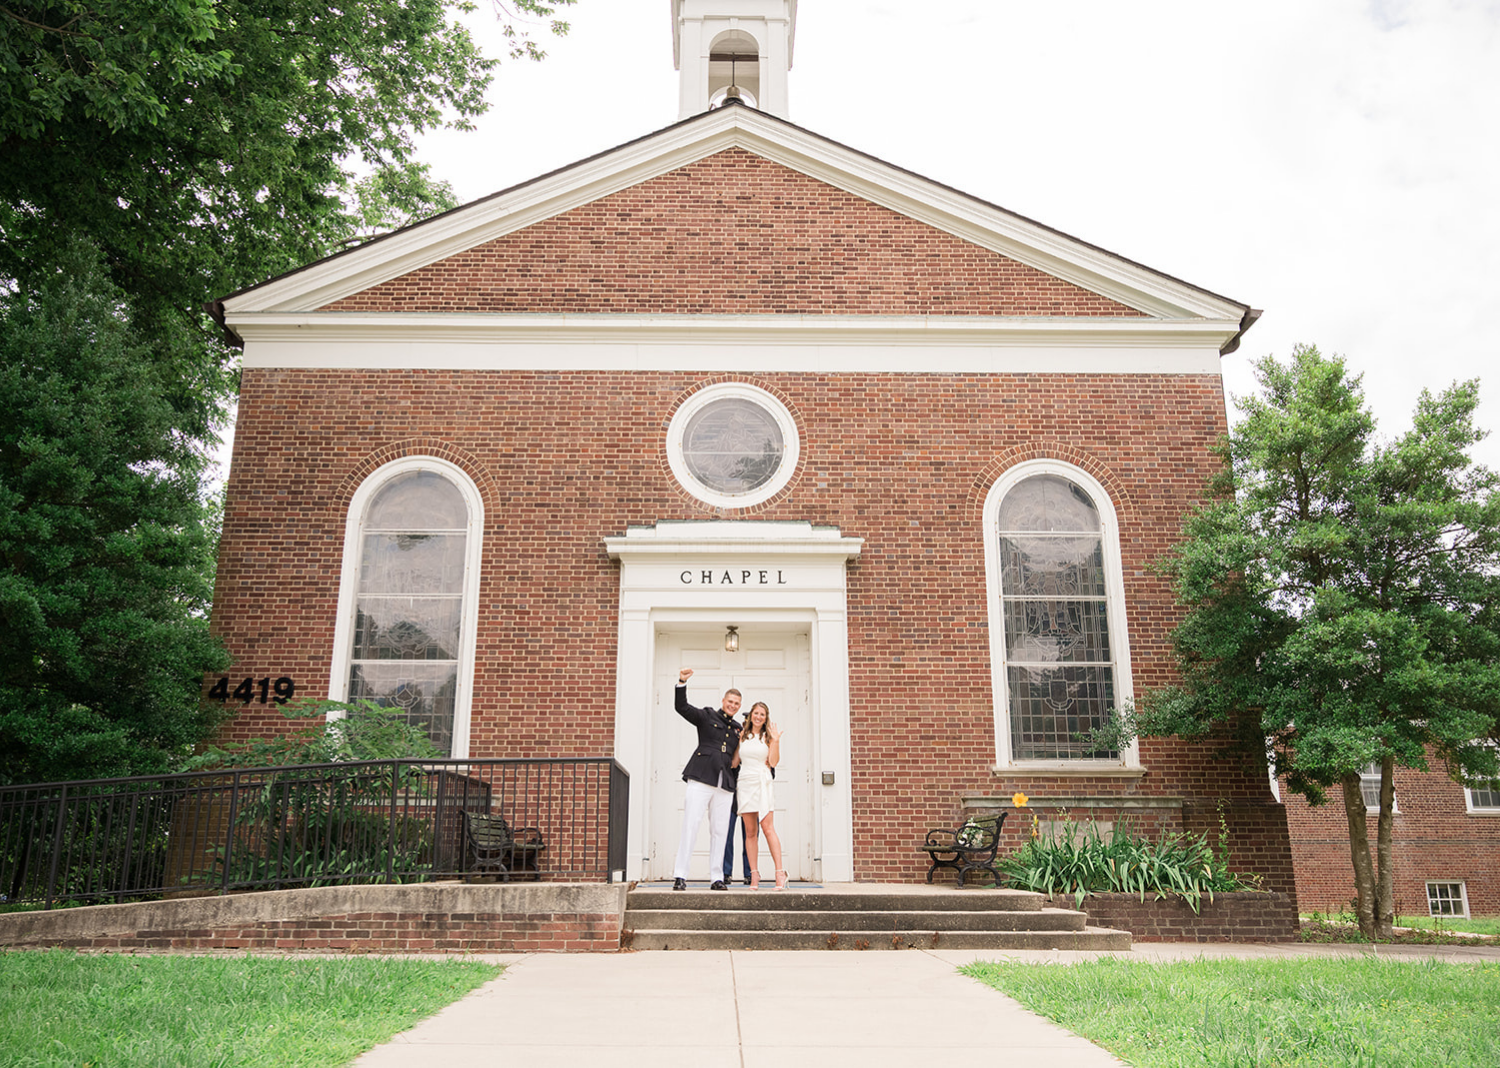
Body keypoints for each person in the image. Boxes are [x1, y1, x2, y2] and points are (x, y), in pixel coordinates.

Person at [670, 667, 740, 891]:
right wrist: (682, 682)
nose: (733, 705)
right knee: (691, 825)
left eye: (737, 703)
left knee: (720, 831)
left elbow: (739, 758)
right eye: (730, 701)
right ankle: (680, 875)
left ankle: (716, 877)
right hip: (701, 778)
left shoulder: (739, 728)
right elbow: (682, 707)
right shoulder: (708, 715)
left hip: (724, 784)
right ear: (723, 700)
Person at [730, 701, 787, 890]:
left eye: (762, 714)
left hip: (762, 782)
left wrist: (776, 741)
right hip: (745, 782)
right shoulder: (742, 736)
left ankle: (780, 873)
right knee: (750, 832)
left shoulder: (768, 736)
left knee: (767, 827)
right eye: (756, 713)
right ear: (751, 715)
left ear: (766, 717)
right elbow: (735, 761)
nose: (758, 717)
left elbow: (773, 761)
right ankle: (754, 875)